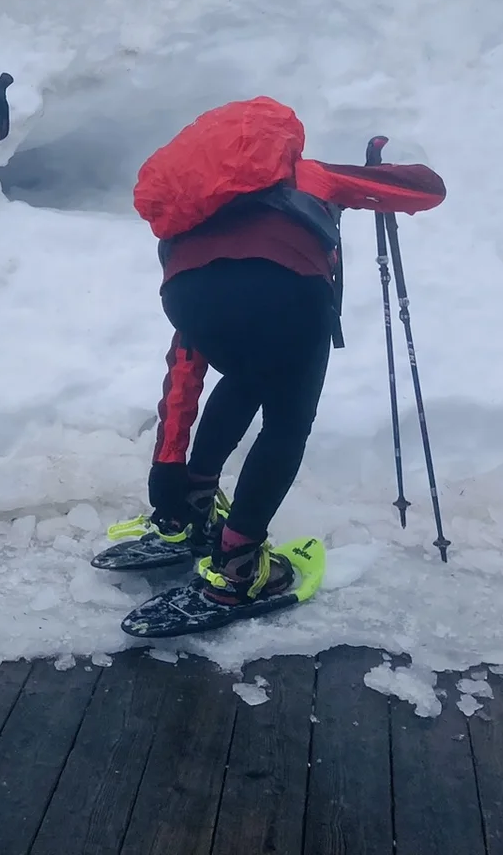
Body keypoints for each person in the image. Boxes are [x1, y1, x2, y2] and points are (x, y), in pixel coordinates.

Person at [132, 150, 444, 611]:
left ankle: (192, 507)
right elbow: (426, 190)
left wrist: (168, 467)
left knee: (245, 375)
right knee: (286, 425)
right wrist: (378, 171)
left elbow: (185, 364)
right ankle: (238, 566)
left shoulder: (197, 214)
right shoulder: (307, 175)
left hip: (186, 295)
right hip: (290, 291)